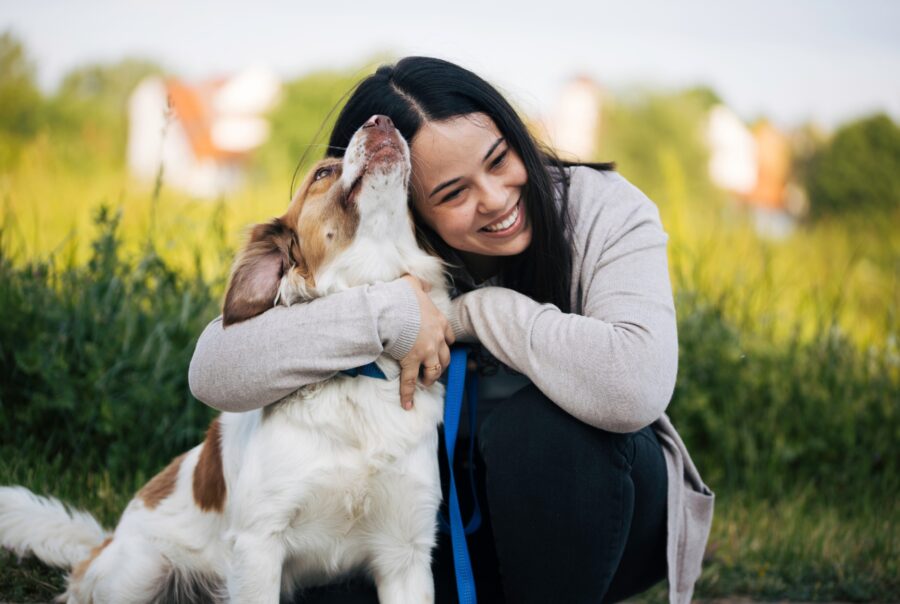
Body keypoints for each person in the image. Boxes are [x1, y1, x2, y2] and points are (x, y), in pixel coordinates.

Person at [188, 57, 714, 604]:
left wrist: (473, 314)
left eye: (499, 159)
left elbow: (635, 384)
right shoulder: (389, 255)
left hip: (602, 518)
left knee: (541, 430)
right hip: (434, 537)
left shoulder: (604, 209)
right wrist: (389, 312)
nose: (495, 199)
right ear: (407, 202)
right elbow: (214, 370)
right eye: (454, 194)